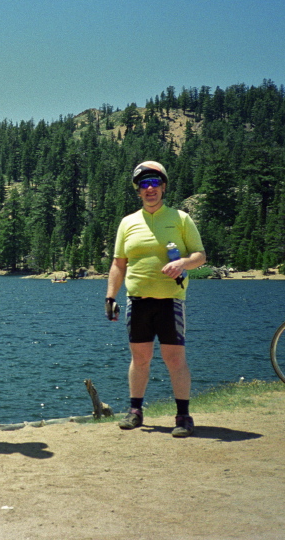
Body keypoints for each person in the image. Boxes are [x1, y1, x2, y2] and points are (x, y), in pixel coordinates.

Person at [105, 161, 206, 437]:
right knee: (140, 358)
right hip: (137, 301)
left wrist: (183, 263)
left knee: (175, 359)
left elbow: (200, 256)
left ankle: (183, 417)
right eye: (144, 184)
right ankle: (135, 411)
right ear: (138, 190)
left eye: (154, 183)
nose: (150, 189)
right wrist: (110, 296)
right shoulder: (128, 222)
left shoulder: (181, 219)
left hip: (170, 301)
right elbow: (118, 263)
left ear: (163, 187)